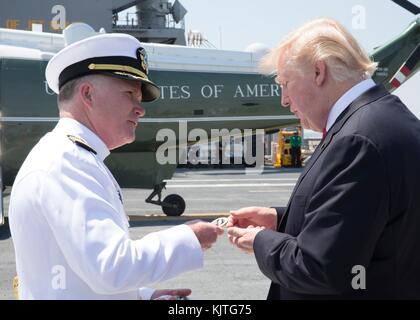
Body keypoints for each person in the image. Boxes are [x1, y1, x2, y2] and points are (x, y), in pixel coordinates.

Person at [8, 30, 224, 299]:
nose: (140, 108)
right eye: (129, 94)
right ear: (87, 94)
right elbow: (110, 268)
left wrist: (142, 296)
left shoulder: (73, 156)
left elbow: (79, 277)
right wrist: (188, 238)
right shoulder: (67, 162)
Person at [227, 18, 420, 299]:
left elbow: (321, 268)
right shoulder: (386, 121)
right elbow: (366, 218)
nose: (284, 99)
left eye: (285, 82)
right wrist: (281, 220)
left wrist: (261, 241)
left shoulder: (357, 140)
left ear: (318, 72)